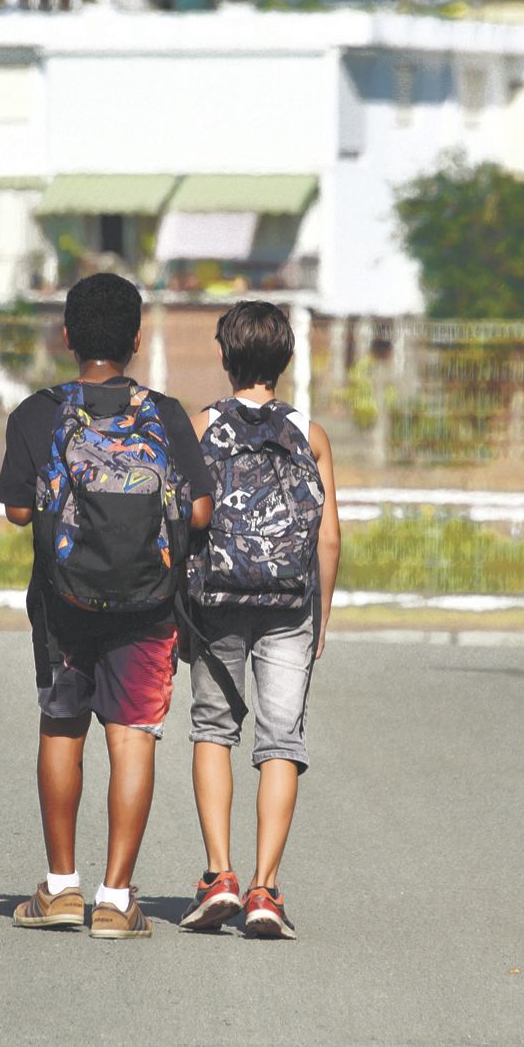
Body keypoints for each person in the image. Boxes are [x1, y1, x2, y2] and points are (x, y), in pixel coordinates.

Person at [0, 274, 214, 940]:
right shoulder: (166, 414)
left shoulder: (37, 413)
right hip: (148, 604)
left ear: (65, 337)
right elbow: (200, 509)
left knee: (62, 727)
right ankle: (116, 899)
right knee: (132, 737)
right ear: (137, 339)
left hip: (63, 603)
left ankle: (60, 888)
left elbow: (17, 510)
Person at [180, 301, 340, 940]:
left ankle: (218, 874)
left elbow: (182, 519)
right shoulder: (311, 434)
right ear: (286, 360)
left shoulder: (199, 428)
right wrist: (319, 614)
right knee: (281, 742)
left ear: (225, 356)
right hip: (287, 605)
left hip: (215, 603)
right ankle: (264, 889)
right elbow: (328, 536)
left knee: (213, 730)